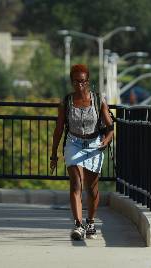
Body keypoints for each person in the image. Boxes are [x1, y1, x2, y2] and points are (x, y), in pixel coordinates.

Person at [50, 64, 114, 241]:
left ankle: (91, 222)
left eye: (83, 81)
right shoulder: (66, 102)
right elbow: (59, 129)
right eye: (76, 81)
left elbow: (110, 127)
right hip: (74, 143)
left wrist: (106, 140)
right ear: (71, 82)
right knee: (76, 183)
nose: (80, 85)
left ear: (88, 82)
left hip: (94, 143)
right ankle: (78, 225)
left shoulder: (98, 99)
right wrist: (54, 153)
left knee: (92, 189)